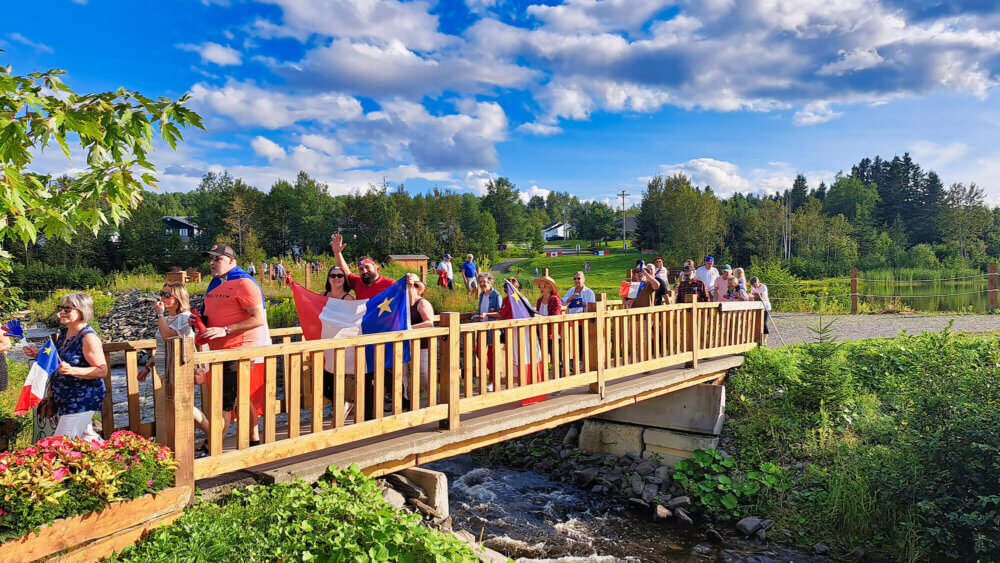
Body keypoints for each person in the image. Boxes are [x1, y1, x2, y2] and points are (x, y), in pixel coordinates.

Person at [197, 244, 266, 447]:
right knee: (240, 398)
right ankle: (254, 439)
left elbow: (258, 318)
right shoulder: (216, 284)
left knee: (224, 404)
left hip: (237, 350)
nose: (211, 262)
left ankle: (211, 448)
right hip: (218, 352)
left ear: (231, 261)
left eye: (217, 259)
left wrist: (225, 330)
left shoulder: (245, 283)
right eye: (210, 258)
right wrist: (199, 321)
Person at [24, 293, 107, 440]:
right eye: (61, 308)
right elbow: (58, 360)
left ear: (82, 311)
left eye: (67, 309)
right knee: (87, 439)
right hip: (65, 399)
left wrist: (72, 370)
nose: (61, 312)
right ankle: (117, 458)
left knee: (62, 443)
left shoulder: (88, 337)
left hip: (81, 399)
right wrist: (38, 354)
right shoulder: (64, 333)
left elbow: (102, 370)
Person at [137, 283, 210, 436]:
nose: (163, 297)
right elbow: (164, 347)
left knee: (162, 410)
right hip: (166, 371)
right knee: (184, 407)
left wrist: (159, 314)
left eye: (168, 295)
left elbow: (167, 336)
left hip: (178, 371)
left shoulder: (185, 317)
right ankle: (212, 435)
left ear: (179, 298)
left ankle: (163, 450)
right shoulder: (170, 318)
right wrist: (148, 366)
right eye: (162, 293)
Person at [320, 265, 356, 417]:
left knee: (337, 379)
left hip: (342, 345)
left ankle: (341, 410)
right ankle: (343, 405)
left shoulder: (348, 298)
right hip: (325, 343)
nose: (336, 278)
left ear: (344, 279)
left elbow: (352, 321)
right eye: (332, 275)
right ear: (328, 279)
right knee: (324, 383)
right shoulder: (322, 295)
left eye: (340, 276)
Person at [329, 234, 395, 299]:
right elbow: (345, 271)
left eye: (367, 267)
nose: (364, 271)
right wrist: (337, 253)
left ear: (376, 268)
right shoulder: (358, 282)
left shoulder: (390, 284)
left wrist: (405, 282)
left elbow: (404, 297)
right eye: (361, 269)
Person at [403, 276, 435, 409]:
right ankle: (405, 401)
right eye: (409, 286)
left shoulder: (422, 303)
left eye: (415, 286)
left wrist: (411, 328)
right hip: (404, 344)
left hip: (421, 344)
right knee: (402, 373)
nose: (411, 288)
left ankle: (432, 399)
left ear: (419, 289)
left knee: (423, 373)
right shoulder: (401, 305)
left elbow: (429, 323)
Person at [471, 272, 502, 391]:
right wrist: (477, 314)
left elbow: (500, 314)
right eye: (480, 282)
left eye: (485, 281)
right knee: (478, 351)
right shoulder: (482, 295)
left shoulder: (496, 295)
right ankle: (496, 371)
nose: (483, 284)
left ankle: (492, 381)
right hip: (482, 328)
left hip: (492, 329)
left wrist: (487, 314)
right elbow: (482, 311)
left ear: (490, 282)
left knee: (491, 354)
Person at [749, 277, 772, 344]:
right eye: (752, 285)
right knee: (756, 323)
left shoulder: (763, 287)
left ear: (758, 283)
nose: (753, 286)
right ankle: (757, 338)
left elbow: (761, 295)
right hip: (757, 307)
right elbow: (752, 294)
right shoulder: (752, 287)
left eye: (754, 285)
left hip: (765, 307)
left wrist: (753, 295)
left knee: (764, 323)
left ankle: (765, 340)